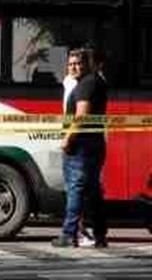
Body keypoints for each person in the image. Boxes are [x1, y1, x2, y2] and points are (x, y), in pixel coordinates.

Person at [53, 48, 108, 248]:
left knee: (75, 188)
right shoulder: (95, 82)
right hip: (93, 143)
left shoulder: (86, 84)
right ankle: (100, 235)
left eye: (78, 63)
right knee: (93, 191)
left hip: (81, 145)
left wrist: (68, 138)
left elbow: (82, 115)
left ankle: (69, 234)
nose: (74, 67)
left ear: (87, 64)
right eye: (71, 64)